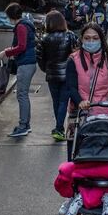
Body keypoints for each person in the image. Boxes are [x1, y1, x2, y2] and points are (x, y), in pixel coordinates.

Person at [65, 23, 108, 160]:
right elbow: (71, 87)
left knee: (105, 151)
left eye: (95, 38)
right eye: (87, 38)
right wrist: (80, 101)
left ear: (101, 39)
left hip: (105, 113)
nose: (91, 41)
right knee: (75, 149)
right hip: (80, 113)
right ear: (81, 39)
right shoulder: (73, 60)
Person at [37, 10, 79, 141]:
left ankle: (59, 128)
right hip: (67, 75)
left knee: (56, 102)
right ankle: (59, 128)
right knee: (63, 102)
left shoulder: (44, 38)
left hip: (51, 75)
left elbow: (40, 58)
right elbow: (77, 53)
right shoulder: (70, 36)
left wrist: (47, 69)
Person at [0, 3, 37, 138]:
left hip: (26, 63)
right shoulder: (27, 24)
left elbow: (21, 46)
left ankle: (23, 125)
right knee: (23, 94)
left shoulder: (21, 26)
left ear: (11, 16)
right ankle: (26, 124)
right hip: (29, 62)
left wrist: (6, 52)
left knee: (22, 94)